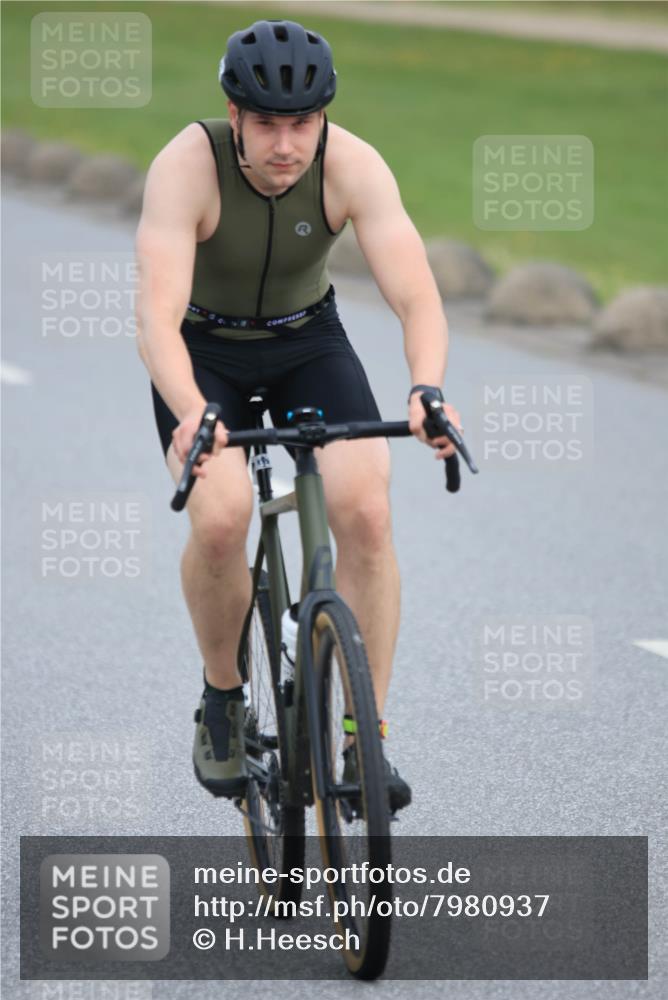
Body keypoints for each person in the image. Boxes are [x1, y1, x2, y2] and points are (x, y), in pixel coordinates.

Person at [135, 19, 462, 812]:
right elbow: (156, 317)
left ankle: (362, 735)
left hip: (305, 342)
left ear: (323, 118)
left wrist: (426, 388)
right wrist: (192, 412)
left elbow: (417, 296)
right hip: (203, 352)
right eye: (266, 124)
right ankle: (223, 696)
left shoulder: (354, 166)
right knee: (221, 517)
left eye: (303, 124)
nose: (286, 146)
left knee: (367, 510)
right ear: (233, 115)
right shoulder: (187, 166)